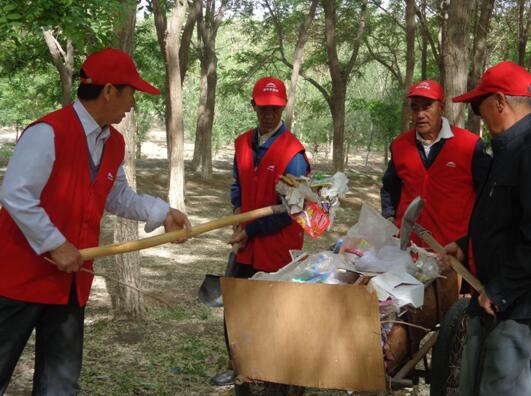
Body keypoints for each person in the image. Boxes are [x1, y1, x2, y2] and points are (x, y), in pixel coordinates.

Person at [0, 48, 191, 395]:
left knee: (60, 383)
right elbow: (16, 194)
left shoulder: (113, 142)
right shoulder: (48, 132)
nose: (133, 103)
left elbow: (117, 196)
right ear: (108, 91)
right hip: (17, 279)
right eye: (131, 92)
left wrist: (161, 213)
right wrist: (55, 244)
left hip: (71, 282)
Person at [211, 77, 310, 390]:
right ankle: (240, 368)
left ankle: (274, 375)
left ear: (282, 107)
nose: (269, 114)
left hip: (277, 248)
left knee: (274, 315)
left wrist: (249, 229)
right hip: (245, 244)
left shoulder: (293, 153)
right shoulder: (242, 143)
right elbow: (237, 184)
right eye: (263, 107)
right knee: (235, 309)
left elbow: (290, 209)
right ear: (254, 105)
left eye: (275, 108)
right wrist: (239, 215)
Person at [444, 61, 531, 395]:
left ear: (499, 102)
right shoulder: (507, 149)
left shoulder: (527, 151)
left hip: (518, 311)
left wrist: (502, 289)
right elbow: (506, 220)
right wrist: (466, 245)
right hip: (493, 302)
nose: (477, 117)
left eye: (478, 107)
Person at [380, 80, 491, 247]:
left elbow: (487, 198)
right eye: (415, 108)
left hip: (451, 253)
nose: (420, 114)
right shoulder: (400, 145)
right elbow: (389, 187)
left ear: (442, 107)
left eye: (426, 106)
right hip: (406, 250)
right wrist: (389, 217)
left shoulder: (469, 145)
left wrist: (469, 241)